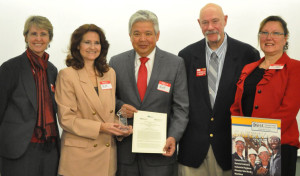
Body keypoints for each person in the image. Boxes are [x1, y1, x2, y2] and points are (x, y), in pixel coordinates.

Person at [177, 3, 260, 176]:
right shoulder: (185, 56)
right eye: (205, 23)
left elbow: (252, 102)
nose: (210, 27)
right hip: (193, 151)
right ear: (199, 24)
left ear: (225, 20)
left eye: (215, 21)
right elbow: (180, 101)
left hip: (232, 149)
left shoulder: (248, 54)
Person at [109, 10, 189, 176]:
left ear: (157, 35)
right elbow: (110, 100)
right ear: (130, 36)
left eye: (148, 33)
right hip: (125, 153)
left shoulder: (175, 64)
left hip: (161, 153)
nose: (142, 39)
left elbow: (181, 108)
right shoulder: (116, 62)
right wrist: (120, 107)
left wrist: (173, 137)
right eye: (137, 34)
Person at [55, 24, 132, 176]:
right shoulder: (67, 75)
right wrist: (102, 127)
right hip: (79, 157)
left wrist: (121, 127)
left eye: (97, 43)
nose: (92, 47)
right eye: (87, 42)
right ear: (77, 45)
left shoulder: (109, 73)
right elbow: (66, 119)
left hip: (106, 155)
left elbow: (108, 112)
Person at [230, 16, 300, 176]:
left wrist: (259, 140)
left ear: (285, 38)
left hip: (279, 147)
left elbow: (288, 111)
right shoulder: (248, 68)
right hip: (247, 147)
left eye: (276, 33)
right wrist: (241, 136)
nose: (269, 38)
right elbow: (236, 106)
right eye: (264, 33)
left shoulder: (295, 68)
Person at [0, 15, 60, 176]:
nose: (38, 38)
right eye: (34, 34)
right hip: (18, 148)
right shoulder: (10, 67)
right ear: (26, 36)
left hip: (50, 147)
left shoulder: (53, 70)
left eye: (43, 34)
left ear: (49, 38)